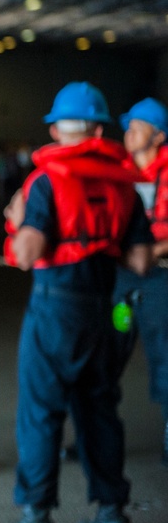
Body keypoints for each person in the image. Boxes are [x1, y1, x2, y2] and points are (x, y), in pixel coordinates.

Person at [0, 82, 153, 523]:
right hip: (106, 307)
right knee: (100, 412)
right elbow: (139, 263)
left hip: (56, 307)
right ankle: (113, 518)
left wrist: (14, 219)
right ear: (98, 129)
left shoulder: (47, 180)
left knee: (40, 414)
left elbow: (28, 254)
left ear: (56, 129)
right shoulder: (123, 185)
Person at [116, 97, 168, 467]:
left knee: (164, 356)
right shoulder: (118, 172)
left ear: (159, 135)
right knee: (107, 352)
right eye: (128, 125)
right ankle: (96, 436)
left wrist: (156, 251)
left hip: (159, 281)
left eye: (137, 126)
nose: (129, 132)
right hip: (121, 279)